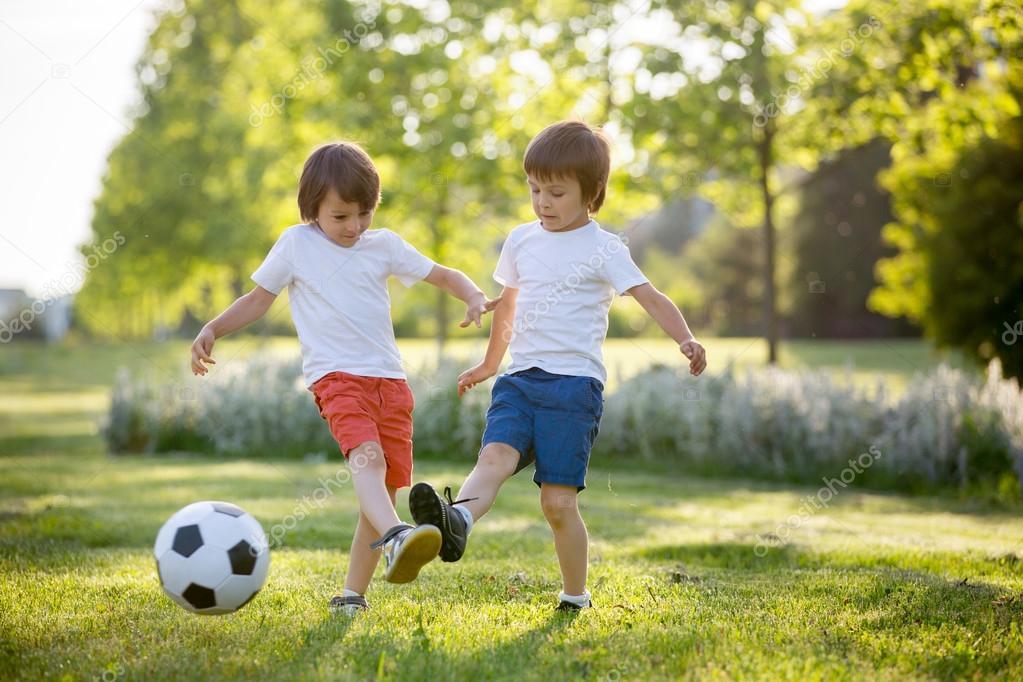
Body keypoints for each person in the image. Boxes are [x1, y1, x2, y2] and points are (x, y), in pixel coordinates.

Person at [407, 121, 707, 611]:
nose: (542, 202)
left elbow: (649, 296)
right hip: (519, 381)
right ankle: (456, 522)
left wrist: (686, 338)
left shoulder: (606, 248)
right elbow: (508, 305)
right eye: (534, 189)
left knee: (558, 504)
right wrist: (488, 364)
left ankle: (575, 595)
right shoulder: (522, 240)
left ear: (592, 194)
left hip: (574, 389)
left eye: (556, 192)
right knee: (493, 460)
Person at [189, 141, 496, 615]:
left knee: (382, 491)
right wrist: (213, 328)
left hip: (391, 384)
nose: (354, 226)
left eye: (364, 214)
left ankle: (352, 595)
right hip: (336, 379)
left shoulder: (384, 245)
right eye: (340, 216)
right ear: (313, 208)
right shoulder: (296, 244)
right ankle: (397, 536)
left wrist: (473, 293)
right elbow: (257, 300)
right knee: (367, 462)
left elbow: (442, 275)